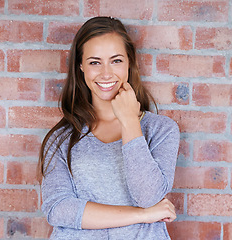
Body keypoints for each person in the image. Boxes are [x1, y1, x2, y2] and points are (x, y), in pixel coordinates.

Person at [38, 16, 180, 240]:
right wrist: (143, 215)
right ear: (81, 66)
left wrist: (130, 122)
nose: (106, 73)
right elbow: (58, 209)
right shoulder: (62, 138)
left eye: (116, 61)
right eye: (95, 62)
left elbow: (149, 197)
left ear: (130, 62)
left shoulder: (161, 129)